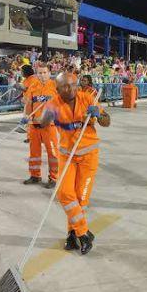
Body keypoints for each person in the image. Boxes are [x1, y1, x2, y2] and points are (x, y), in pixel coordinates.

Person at [39, 72, 110, 255]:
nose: (70, 89)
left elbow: (106, 122)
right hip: (67, 155)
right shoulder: (53, 103)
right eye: (65, 86)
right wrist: (46, 115)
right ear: (57, 88)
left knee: (80, 199)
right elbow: (42, 123)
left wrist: (99, 115)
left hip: (88, 156)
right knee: (64, 194)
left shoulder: (87, 99)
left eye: (73, 85)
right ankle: (84, 233)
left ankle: (72, 234)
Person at [22, 63, 59, 188]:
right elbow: (28, 104)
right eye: (40, 73)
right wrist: (26, 117)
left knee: (53, 154)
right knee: (34, 153)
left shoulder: (55, 86)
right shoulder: (33, 86)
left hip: (49, 126)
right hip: (34, 125)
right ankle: (35, 175)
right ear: (37, 74)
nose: (42, 75)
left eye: (44, 72)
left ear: (49, 73)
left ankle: (54, 178)